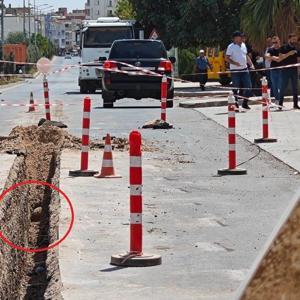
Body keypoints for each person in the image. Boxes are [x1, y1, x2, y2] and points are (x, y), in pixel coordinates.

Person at [226, 31, 255, 110]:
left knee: (249, 87)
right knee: (236, 87)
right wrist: (235, 63)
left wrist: (251, 64)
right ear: (235, 38)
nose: (241, 38)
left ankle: (245, 103)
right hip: (235, 71)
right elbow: (227, 58)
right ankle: (235, 102)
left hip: (245, 69)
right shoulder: (231, 46)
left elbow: (246, 56)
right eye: (239, 37)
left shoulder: (243, 45)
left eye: (241, 37)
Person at [265, 36, 296, 106]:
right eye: (273, 42)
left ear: (279, 41)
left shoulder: (283, 48)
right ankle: (277, 100)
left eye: (276, 42)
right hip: (273, 70)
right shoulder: (270, 49)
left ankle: (280, 101)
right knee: (274, 86)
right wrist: (274, 57)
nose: (275, 44)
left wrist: (273, 58)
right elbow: (267, 56)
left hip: (281, 70)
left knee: (280, 86)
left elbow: (281, 58)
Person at [279, 33, 300, 109]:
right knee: (283, 87)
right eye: (293, 39)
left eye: (295, 39)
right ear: (289, 39)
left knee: (295, 88)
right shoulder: (283, 47)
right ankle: (280, 104)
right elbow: (280, 58)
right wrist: (289, 54)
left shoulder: (297, 48)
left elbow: (298, 59)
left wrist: (298, 69)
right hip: (285, 71)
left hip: (294, 70)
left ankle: (295, 104)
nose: (295, 41)